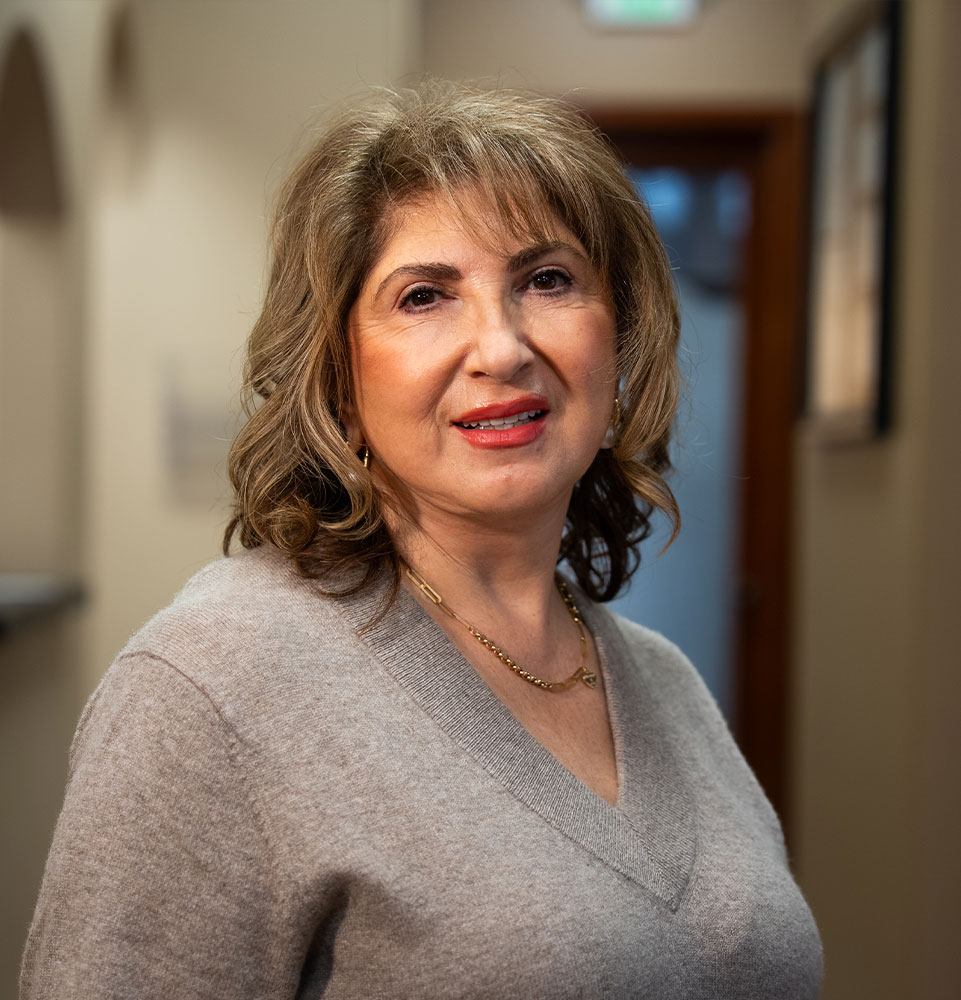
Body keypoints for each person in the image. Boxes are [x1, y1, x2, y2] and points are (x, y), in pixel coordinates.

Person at [21, 81, 822, 998]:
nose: (502, 348)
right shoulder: (212, 684)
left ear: (620, 340)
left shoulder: (662, 680)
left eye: (547, 281)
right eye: (424, 297)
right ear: (337, 377)